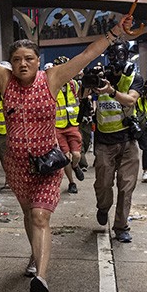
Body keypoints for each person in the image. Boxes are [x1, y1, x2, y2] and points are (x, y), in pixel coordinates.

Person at [0, 12, 134, 292]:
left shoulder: (52, 78)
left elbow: (87, 54)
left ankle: (41, 276)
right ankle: (35, 255)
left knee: (40, 216)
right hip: (17, 166)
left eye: (28, 58)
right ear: (11, 63)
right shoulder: (4, 79)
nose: (22, 64)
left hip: (48, 163)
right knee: (29, 214)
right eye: (16, 59)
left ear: (38, 61)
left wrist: (115, 33)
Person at [88, 40, 144, 244]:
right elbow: (83, 94)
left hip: (128, 140)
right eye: (113, 56)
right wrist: (90, 80)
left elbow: (131, 100)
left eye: (120, 56)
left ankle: (121, 226)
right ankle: (103, 207)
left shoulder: (134, 77)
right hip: (104, 141)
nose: (117, 60)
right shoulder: (101, 76)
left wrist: (111, 91)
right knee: (103, 184)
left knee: (126, 186)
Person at [52, 56, 85, 194]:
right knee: (66, 157)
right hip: (58, 126)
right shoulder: (52, 85)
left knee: (76, 155)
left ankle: (76, 166)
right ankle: (72, 182)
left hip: (72, 125)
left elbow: (82, 96)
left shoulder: (74, 85)